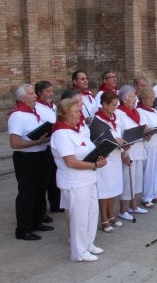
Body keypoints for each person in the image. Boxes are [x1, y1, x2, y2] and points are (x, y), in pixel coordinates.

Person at [51, 98, 107, 261]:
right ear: (65, 114)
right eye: (76, 111)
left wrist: (100, 157)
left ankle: (89, 244)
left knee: (91, 213)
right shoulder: (61, 134)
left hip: (88, 178)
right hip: (74, 181)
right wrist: (94, 164)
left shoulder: (76, 130)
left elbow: (87, 151)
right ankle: (79, 252)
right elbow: (71, 161)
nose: (79, 114)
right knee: (79, 217)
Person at [8, 84, 52, 240]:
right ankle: (23, 229)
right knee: (27, 193)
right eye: (32, 94)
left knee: (40, 190)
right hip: (26, 159)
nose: (35, 96)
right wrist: (37, 142)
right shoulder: (18, 115)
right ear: (22, 97)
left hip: (41, 155)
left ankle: (37, 221)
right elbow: (14, 143)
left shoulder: (32, 113)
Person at [92, 91, 126, 232]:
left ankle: (111, 215)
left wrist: (124, 147)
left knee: (113, 188)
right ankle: (104, 219)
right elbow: (97, 140)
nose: (115, 107)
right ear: (104, 104)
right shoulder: (98, 120)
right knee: (104, 189)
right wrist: (115, 141)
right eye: (113, 105)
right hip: (104, 159)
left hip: (116, 156)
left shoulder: (115, 117)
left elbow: (118, 135)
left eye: (117, 104)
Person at [116, 85, 149, 221]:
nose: (135, 99)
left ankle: (133, 206)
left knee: (136, 179)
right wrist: (124, 153)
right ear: (124, 99)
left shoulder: (137, 112)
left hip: (139, 148)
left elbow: (141, 127)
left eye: (135, 96)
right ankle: (123, 210)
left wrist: (147, 133)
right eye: (132, 97)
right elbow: (119, 134)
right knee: (127, 181)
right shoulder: (119, 114)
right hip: (128, 151)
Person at [34, 81, 63, 221]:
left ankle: (56, 203)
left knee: (54, 178)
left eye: (52, 91)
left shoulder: (53, 106)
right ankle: (41, 211)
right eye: (48, 91)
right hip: (44, 147)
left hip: (54, 146)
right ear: (39, 93)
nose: (51, 93)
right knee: (43, 181)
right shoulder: (37, 107)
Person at [137, 87, 157, 209]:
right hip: (150, 144)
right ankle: (146, 197)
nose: (152, 100)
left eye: (153, 98)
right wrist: (153, 129)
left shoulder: (154, 110)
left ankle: (154, 193)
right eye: (150, 98)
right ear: (143, 99)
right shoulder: (140, 111)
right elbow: (145, 127)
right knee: (149, 170)